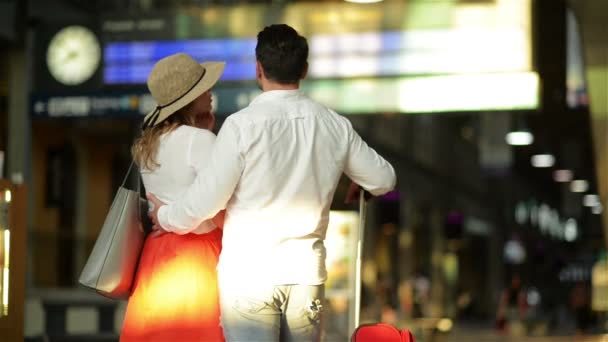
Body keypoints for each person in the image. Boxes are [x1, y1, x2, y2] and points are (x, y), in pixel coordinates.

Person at [148, 24, 397, 342]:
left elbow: (205, 203)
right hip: (305, 274)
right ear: (304, 70)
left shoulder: (240, 126)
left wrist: (164, 215)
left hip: (249, 275)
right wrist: (362, 184)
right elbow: (384, 178)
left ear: (258, 69)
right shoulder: (334, 125)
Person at [120, 53, 226, 342]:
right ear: (190, 98)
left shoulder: (147, 146)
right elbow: (217, 205)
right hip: (198, 257)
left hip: (157, 256)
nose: (210, 93)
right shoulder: (202, 140)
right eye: (204, 88)